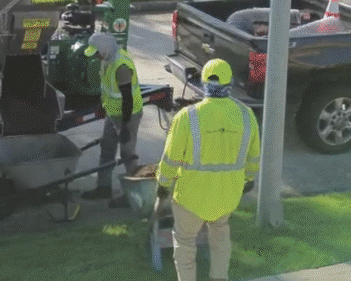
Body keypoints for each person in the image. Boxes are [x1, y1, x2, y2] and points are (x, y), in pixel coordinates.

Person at [156, 58, 260, 281]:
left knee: (184, 243)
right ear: (229, 83)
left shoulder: (187, 117)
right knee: (220, 237)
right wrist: (249, 179)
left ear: (204, 84)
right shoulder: (246, 115)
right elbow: (253, 157)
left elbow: (170, 159)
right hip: (226, 196)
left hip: (190, 198)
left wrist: (163, 184)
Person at [80, 32, 142, 208]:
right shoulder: (106, 59)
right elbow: (106, 87)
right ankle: (103, 187)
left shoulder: (121, 66)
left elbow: (128, 99)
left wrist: (125, 127)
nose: (96, 56)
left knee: (127, 154)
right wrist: (101, 105)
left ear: (105, 48)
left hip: (127, 116)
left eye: (97, 52)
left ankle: (135, 194)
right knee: (107, 148)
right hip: (112, 113)